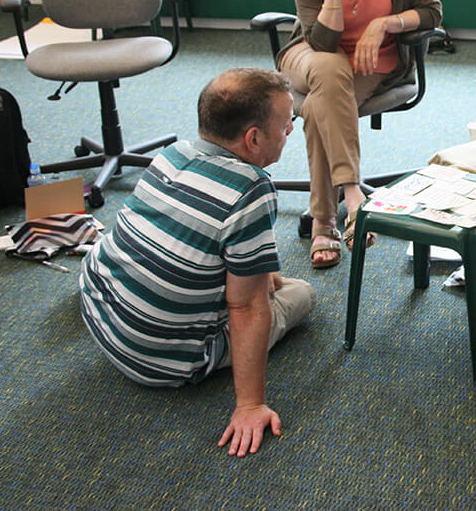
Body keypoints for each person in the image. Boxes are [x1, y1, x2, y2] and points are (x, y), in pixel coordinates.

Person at [79, 67, 316, 457]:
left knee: (241, 267)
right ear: (253, 139)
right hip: (164, 360)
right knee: (301, 293)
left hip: (100, 312)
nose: (291, 129)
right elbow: (245, 307)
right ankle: (254, 274)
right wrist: (250, 405)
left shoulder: (172, 153)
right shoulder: (251, 190)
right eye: (287, 123)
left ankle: (251, 270)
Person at [276, 0, 442, 269]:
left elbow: (432, 10)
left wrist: (385, 23)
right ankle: (352, 194)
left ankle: (323, 222)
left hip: (374, 61)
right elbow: (321, 43)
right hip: (310, 55)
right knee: (330, 68)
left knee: (318, 109)